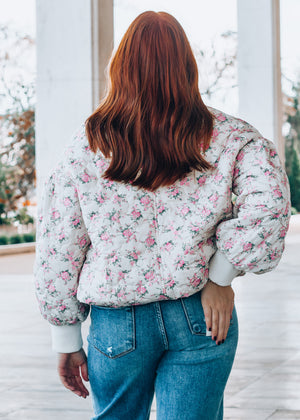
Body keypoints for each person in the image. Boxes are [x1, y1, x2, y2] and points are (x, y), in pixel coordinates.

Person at [34, 11, 291, 420]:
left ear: (119, 68)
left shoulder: (84, 147)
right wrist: (220, 277)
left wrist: (65, 335)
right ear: (187, 67)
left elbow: (59, 243)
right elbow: (269, 210)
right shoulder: (232, 137)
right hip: (201, 313)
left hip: (116, 324)